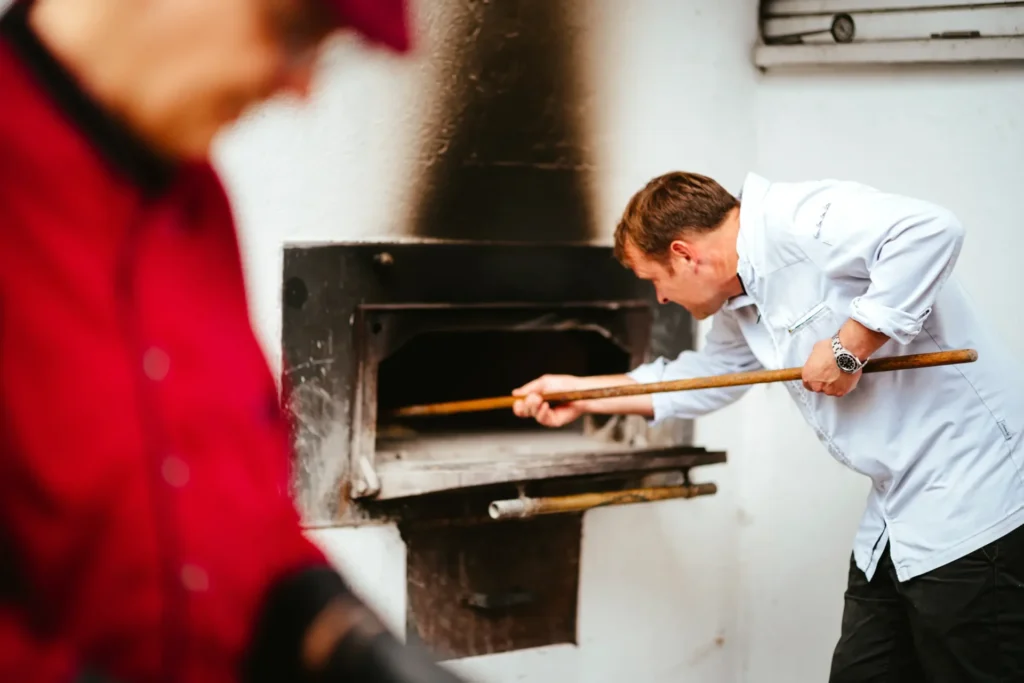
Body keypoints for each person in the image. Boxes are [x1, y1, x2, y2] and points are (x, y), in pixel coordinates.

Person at [0, 1, 467, 682]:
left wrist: (346, 638)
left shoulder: (199, 206)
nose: (303, 89)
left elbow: (238, 506)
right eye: (296, 33)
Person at [512, 170, 1024, 681]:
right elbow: (709, 377)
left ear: (685, 254)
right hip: (897, 519)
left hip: (974, 502)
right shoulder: (740, 303)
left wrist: (849, 349)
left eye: (655, 280)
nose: (661, 298)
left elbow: (931, 230)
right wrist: (583, 394)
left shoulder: (799, 220)